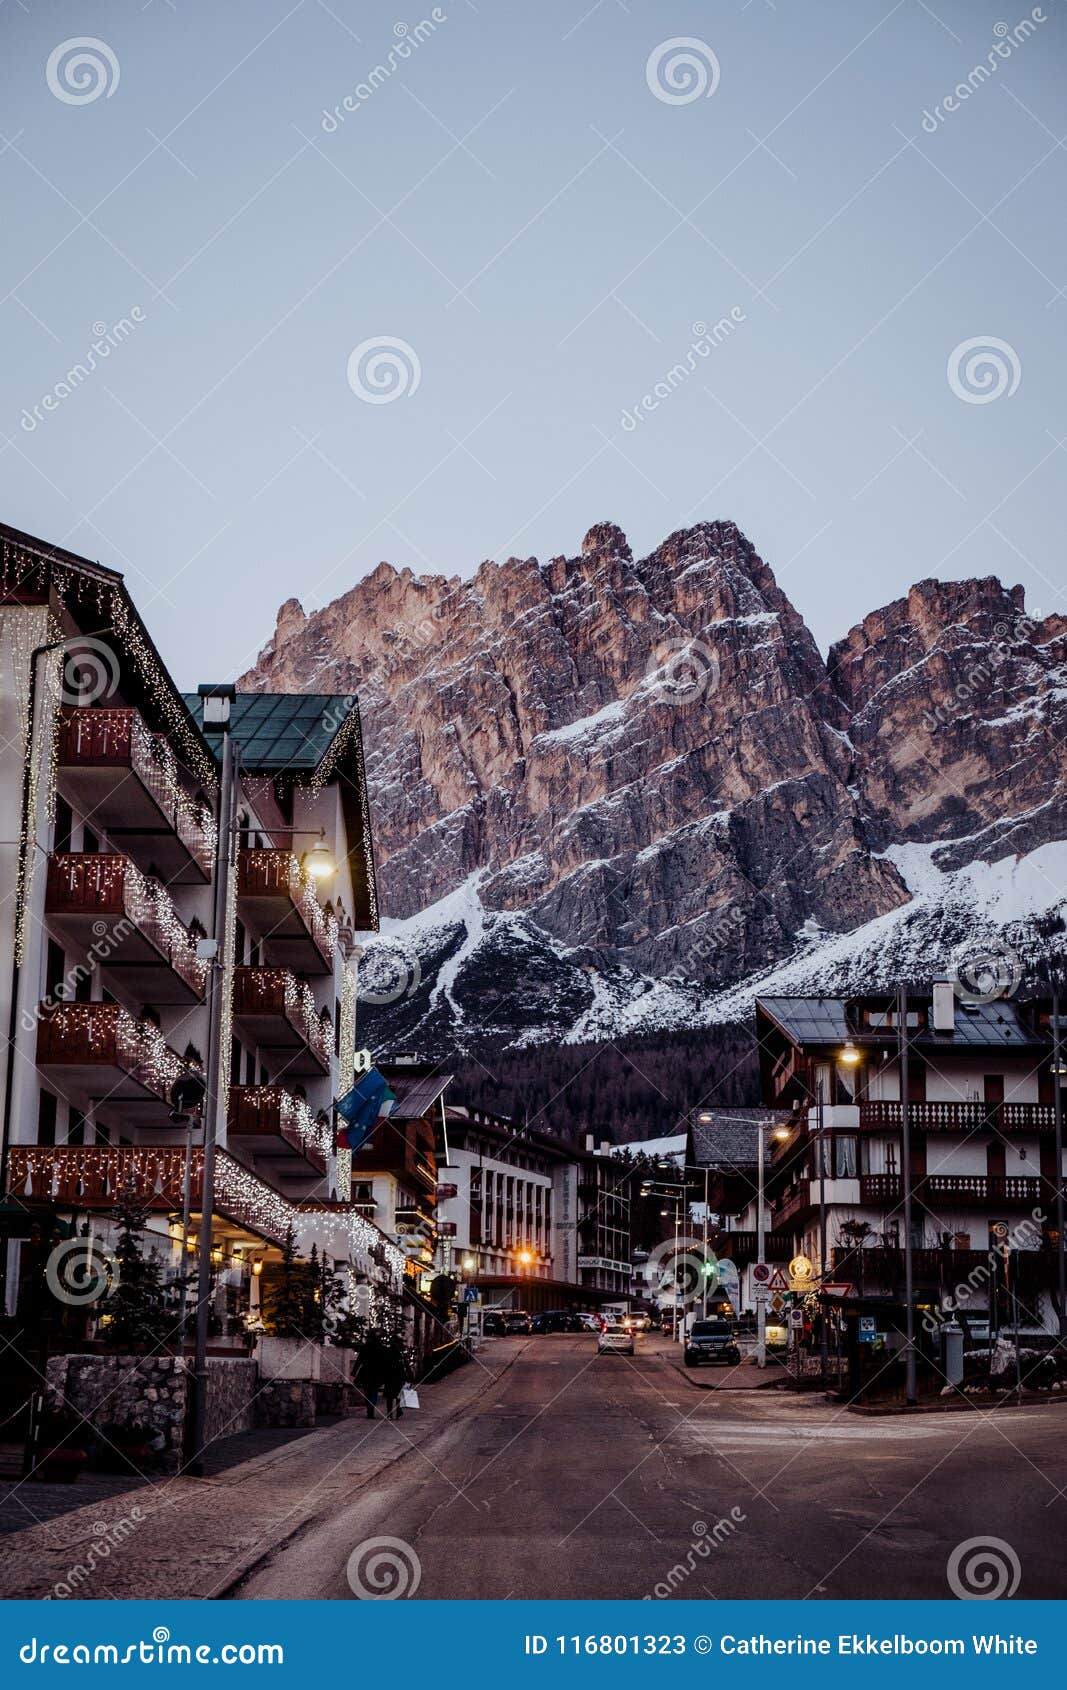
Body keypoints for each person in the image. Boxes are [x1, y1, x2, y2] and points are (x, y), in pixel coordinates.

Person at [355, 1330, 389, 1419]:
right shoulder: (381, 1348)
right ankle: (371, 1407)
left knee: (367, 1392)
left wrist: (354, 1372)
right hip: (377, 1373)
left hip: (366, 1372)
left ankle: (369, 1409)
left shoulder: (365, 1347)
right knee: (374, 1391)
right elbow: (385, 1362)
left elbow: (359, 1360)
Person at [381, 1339, 408, 1420]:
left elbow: (384, 1367)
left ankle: (389, 1414)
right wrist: (408, 1377)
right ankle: (398, 1410)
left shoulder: (387, 1354)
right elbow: (406, 1366)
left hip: (389, 1378)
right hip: (399, 1378)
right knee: (398, 1396)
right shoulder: (400, 1355)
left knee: (389, 1397)